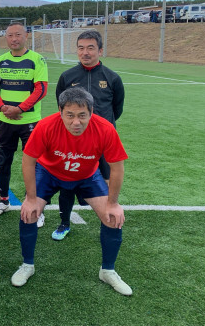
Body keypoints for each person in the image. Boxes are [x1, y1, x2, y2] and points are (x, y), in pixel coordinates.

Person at [11, 87, 132, 296]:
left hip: (87, 176)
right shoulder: (46, 126)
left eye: (82, 115)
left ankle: (107, 270)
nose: (76, 122)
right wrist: (30, 199)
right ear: (60, 111)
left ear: (91, 112)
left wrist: (113, 203)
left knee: (112, 217)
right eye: (70, 115)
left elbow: (117, 167)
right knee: (29, 212)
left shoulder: (105, 128)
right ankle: (27, 265)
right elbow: (28, 161)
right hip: (49, 172)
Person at [52, 30, 124, 240]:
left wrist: (102, 127)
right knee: (67, 182)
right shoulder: (67, 76)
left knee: (107, 180)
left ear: (100, 50)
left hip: (102, 141)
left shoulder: (112, 78)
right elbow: (61, 107)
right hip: (73, 140)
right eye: (81, 48)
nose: (85, 52)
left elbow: (117, 109)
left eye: (90, 48)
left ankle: (108, 217)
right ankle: (64, 223)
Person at [0, 23, 48, 221]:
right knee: (3, 161)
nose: (14, 39)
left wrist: (19, 109)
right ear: (6, 38)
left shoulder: (37, 59)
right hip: (5, 121)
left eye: (18, 35)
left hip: (30, 121)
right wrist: (2, 108)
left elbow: (41, 90)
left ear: (26, 36)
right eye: (10, 35)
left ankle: (36, 207)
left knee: (34, 164)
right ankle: (3, 201)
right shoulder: (0, 61)